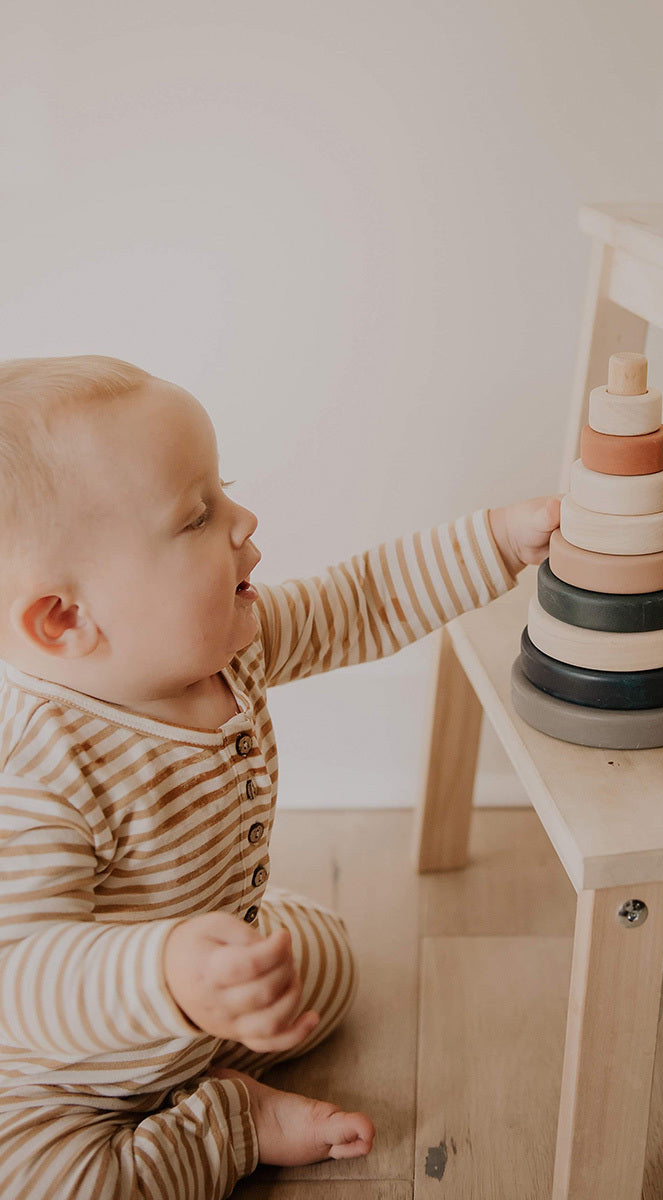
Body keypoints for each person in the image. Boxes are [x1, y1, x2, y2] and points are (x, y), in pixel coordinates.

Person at [0, 355, 561, 1199]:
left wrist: (498, 540)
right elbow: (26, 972)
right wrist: (169, 974)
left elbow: (366, 601)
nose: (244, 518)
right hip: (64, 1068)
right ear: (66, 619)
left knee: (323, 965)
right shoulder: (39, 767)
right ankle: (231, 1123)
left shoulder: (234, 644)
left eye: (222, 489)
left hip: (208, 993)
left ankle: (225, 1026)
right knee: (57, 1186)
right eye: (197, 517)